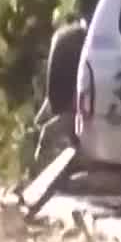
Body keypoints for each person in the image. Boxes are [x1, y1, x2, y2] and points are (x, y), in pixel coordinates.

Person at [32, 19, 88, 167]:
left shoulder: (77, 52)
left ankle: (36, 172)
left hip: (78, 109)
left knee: (48, 134)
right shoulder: (73, 46)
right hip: (71, 105)